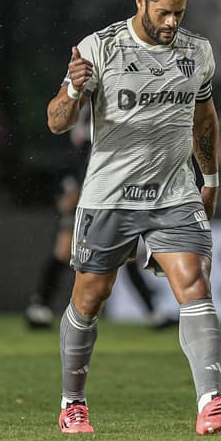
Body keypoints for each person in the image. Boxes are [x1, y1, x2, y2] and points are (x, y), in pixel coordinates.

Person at [46, 0, 221, 435]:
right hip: (109, 196)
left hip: (174, 193)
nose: (171, 23)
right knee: (90, 298)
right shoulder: (98, 49)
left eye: (179, 14)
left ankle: (210, 403)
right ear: (140, 2)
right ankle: (72, 403)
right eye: (163, 13)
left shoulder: (197, 53)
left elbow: (204, 119)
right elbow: (57, 121)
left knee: (195, 284)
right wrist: (77, 88)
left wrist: (211, 179)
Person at [25, 102, 177, 330]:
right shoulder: (90, 104)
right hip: (89, 184)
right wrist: (71, 185)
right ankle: (40, 307)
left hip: (106, 185)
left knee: (126, 251)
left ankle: (153, 312)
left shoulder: (110, 102)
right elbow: (79, 147)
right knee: (67, 249)